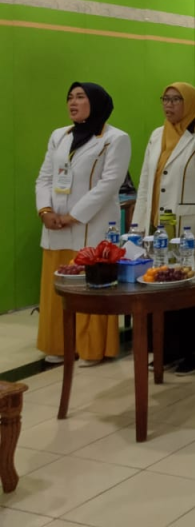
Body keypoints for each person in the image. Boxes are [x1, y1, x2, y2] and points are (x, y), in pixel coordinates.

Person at [35, 82, 130, 366]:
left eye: (80, 97)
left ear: (97, 102)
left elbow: (109, 184)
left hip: (92, 225)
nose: (72, 103)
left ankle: (92, 348)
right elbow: (45, 177)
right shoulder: (59, 136)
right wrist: (45, 210)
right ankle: (60, 343)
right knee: (60, 286)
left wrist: (72, 216)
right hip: (55, 227)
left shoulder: (116, 138)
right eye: (70, 97)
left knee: (91, 287)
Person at [135, 83, 195, 374]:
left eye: (176, 99)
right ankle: (166, 349)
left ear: (190, 103)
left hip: (192, 228)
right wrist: (138, 228)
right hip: (158, 228)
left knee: (192, 289)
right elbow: (146, 182)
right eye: (166, 99)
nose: (169, 105)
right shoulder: (156, 135)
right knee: (162, 287)